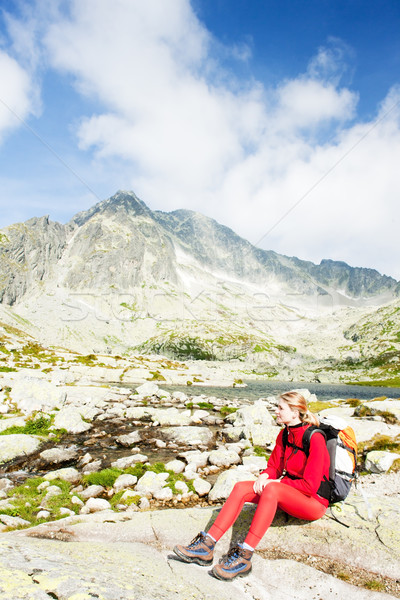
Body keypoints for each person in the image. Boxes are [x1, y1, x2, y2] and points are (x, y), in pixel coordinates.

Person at [173, 391, 330, 581]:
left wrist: (276, 483)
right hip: (289, 492)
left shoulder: (315, 438)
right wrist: (265, 476)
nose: (276, 411)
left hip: (313, 502)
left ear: (295, 412)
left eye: (280, 408)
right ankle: (206, 546)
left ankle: (244, 557)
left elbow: (310, 486)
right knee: (241, 487)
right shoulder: (285, 434)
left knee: (272, 489)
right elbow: (275, 467)